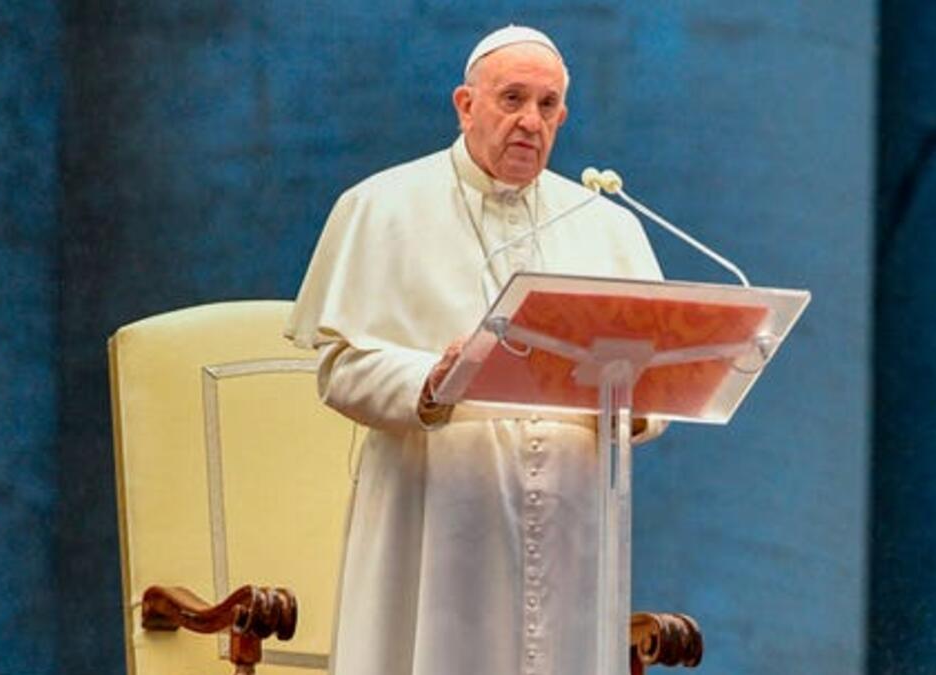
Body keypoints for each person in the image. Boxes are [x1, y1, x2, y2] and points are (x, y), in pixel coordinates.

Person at [285, 25, 665, 675]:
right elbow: (339, 369)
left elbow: (655, 387)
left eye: (547, 107)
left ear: (563, 117)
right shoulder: (382, 206)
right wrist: (430, 379)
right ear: (465, 104)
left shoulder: (607, 225)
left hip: (571, 522)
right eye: (511, 99)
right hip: (436, 514)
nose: (530, 121)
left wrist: (633, 404)